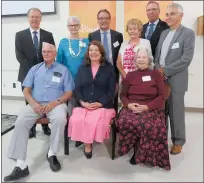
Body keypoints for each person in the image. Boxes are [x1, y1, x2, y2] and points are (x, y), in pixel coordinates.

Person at [4, 43, 75, 182]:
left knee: (60, 118)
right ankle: (21, 164)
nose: (46, 53)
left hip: (56, 104)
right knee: (21, 120)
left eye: (49, 51)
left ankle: (52, 153)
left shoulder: (63, 70)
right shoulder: (34, 69)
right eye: (44, 51)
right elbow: (26, 90)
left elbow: (69, 92)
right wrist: (33, 103)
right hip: (35, 104)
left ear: (55, 53)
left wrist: (56, 102)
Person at [116, 46, 171, 170]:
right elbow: (123, 95)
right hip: (131, 106)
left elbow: (162, 96)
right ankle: (135, 148)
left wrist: (147, 107)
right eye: (138, 57)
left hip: (151, 107)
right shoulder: (130, 75)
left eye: (144, 57)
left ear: (149, 59)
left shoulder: (156, 74)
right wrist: (128, 104)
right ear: (135, 60)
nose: (141, 60)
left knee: (148, 125)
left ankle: (144, 153)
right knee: (125, 121)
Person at [154, 3, 195, 155]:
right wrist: (158, 68)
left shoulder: (187, 33)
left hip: (176, 79)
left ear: (180, 15)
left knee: (176, 111)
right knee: (161, 111)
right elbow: (158, 54)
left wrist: (165, 70)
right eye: (167, 14)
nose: (168, 17)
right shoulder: (164, 33)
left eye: (172, 14)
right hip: (161, 78)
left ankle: (178, 141)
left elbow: (186, 59)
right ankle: (161, 138)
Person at [68, 41, 116, 159]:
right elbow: (77, 88)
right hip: (84, 104)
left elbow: (111, 90)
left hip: (103, 105)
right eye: (91, 50)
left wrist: (100, 103)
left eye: (96, 50)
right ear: (88, 53)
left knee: (92, 120)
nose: (93, 52)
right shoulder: (82, 68)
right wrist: (83, 103)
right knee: (76, 119)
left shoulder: (109, 68)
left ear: (101, 53)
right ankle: (87, 143)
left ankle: (87, 144)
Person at [15, 8, 55, 138]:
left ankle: (44, 125)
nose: (34, 19)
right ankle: (31, 127)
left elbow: (52, 53)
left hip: (46, 74)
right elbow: (20, 56)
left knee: (44, 99)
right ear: (28, 18)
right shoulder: (20, 35)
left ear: (41, 18)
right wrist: (35, 72)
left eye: (37, 17)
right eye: (32, 17)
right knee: (30, 102)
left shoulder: (48, 35)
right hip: (27, 74)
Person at [57, 16, 89, 148]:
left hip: (84, 80)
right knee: (71, 108)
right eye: (71, 26)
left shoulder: (87, 41)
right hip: (68, 81)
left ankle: (82, 134)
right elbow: (59, 62)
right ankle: (72, 133)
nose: (73, 28)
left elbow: (90, 59)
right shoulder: (63, 42)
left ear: (80, 26)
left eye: (76, 25)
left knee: (82, 108)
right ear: (68, 27)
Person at [88, 9, 123, 111]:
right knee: (100, 98)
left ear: (110, 20)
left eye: (106, 18)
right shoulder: (92, 35)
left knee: (114, 97)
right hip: (99, 72)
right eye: (100, 18)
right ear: (98, 20)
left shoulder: (118, 35)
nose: (103, 21)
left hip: (114, 71)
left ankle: (114, 124)